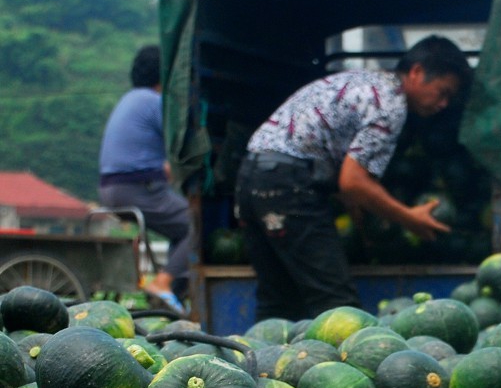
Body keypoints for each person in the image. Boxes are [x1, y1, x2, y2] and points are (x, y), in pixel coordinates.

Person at [234, 35, 471, 322]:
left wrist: (356, 208)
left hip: (252, 177)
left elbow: (344, 171)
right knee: (337, 305)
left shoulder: (365, 82)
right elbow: (353, 181)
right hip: (289, 184)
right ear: (417, 72)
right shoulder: (390, 105)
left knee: (278, 300)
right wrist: (409, 218)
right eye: (442, 92)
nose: (444, 104)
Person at [98, 45, 192, 313]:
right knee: (198, 224)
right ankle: (162, 283)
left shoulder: (130, 100)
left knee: (180, 227)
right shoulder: (155, 102)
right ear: (166, 75)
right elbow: (181, 146)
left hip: (112, 188)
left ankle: (172, 298)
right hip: (137, 188)